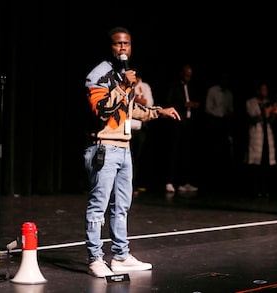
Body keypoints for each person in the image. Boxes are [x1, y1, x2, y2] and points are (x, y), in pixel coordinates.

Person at [83, 26, 181, 278]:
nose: (123, 48)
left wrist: (159, 111)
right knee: (98, 205)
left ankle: (120, 255)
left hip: (124, 148)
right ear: (110, 47)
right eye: (118, 44)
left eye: (126, 43)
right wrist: (123, 87)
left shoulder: (124, 75)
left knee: (122, 205)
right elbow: (103, 111)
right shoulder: (99, 75)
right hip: (104, 147)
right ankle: (95, 257)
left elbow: (128, 110)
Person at [164, 63, 201, 193]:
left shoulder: (192, 86)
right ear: (182, 74)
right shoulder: (174, 86)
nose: (188, 78)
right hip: (177, 123)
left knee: (187, 153)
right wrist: (184, 104)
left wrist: (195, 104)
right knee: (173, 153)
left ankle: (184, 182)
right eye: (186, 75)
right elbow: (169, 102)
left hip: (189, 124)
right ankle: (170, 181)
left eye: (190, 76)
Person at [245, 81, 277, 197]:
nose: (265, 92)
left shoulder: (269, 103)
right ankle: (254, 190)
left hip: (267, 136)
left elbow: (272, 122)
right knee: (255, 164)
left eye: (266, 90)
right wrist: (265, 112)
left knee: (267, 163)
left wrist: (274, 114)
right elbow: (253, 118)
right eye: (263, 90)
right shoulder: (250, 102)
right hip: (256, 135)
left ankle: (266, 189)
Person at [202, 71, 235, 191]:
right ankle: (210, 181)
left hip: (224, 124)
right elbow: (208, 108)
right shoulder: (213, 91)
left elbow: (230, 109)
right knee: (212, 151)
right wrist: (218, 116)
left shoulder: (229, 93)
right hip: (214, 123)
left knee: (224, 153)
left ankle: (222, 182)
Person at [130, 74, 154, 196]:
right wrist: (139, 100)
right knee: (126, 159)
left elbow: (149, 103)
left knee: (136, 159)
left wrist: (137, 99)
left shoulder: (144, 87)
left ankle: (133, 186)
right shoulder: (126, 85)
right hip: (126, 128)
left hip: (139, 128)